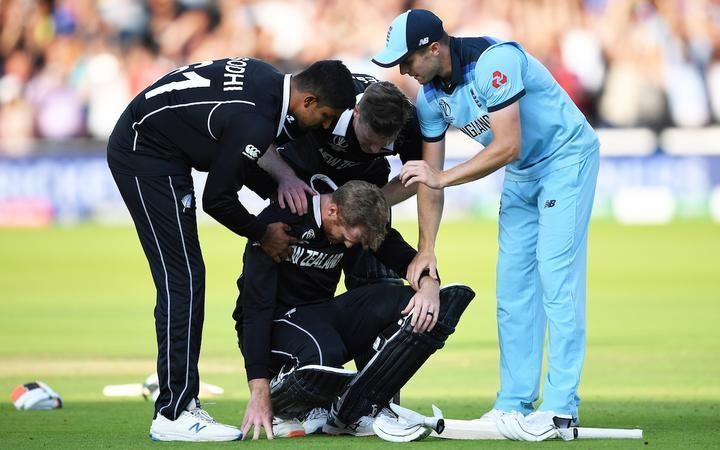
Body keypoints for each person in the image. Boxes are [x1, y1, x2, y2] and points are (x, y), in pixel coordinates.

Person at [372, 9, 601, 437]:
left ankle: (560, 409)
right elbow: (428, 180)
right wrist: (426, 248)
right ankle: (513, 403)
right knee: (512, 289)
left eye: (407, 61)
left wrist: (442, 177)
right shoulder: (429, 99)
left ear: (434, 48)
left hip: (566, 157)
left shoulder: (494, 62)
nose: (404, 72)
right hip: (524, 173)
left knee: (556, 278)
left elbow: (508, 144)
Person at [107, 57, 356, 442]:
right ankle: (174, 412)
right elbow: (218, 199)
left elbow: (245, 145)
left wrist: (284, 179)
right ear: (307, 101)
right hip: (144, 155)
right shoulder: (255, 119)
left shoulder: (268, 81)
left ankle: (179, 404)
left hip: (161, 143)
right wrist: (263, 233)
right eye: (325, 116)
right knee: (183, 279)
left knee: (186, 277)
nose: (325, 126)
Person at [232, 177, 474, 440]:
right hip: (272, 323)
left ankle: (355, 409)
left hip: (320, 315)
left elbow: (406, 257)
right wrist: (259, 389)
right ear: (332, 211)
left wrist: (429, 285)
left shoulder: (358, 223)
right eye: (347, 236)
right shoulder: (279, 222)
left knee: (411, 301)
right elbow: (254, 309)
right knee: (326, 354)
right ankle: (284, 397)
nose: (349, 246)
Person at [251, 77, 423, 289]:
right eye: (369, 142)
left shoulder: (410, 124)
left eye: (384, 144)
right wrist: (285, 177)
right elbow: (253, 136)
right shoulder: (324, 97)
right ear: (357, 111)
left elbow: (419, 178)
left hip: (366, 181)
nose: (377, 150)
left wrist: (370, 204)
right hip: (302, 177)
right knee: (297, 274)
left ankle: (389, 299)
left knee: (373, 273)